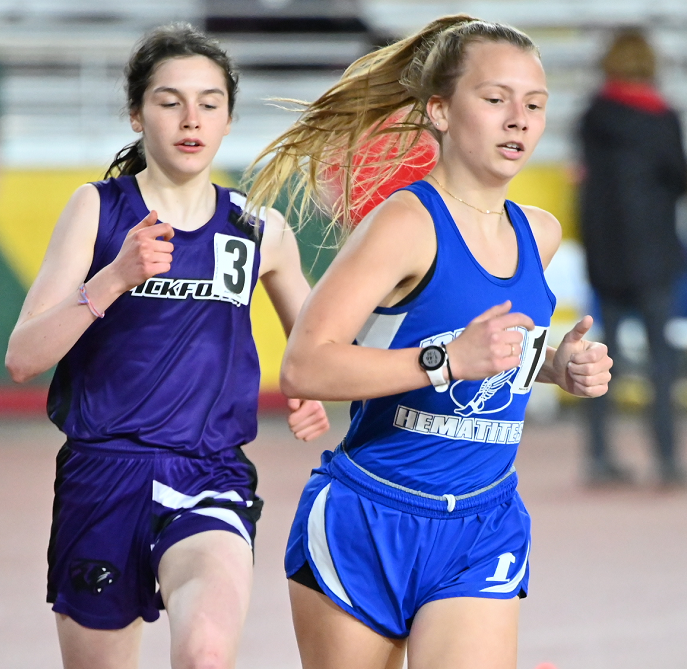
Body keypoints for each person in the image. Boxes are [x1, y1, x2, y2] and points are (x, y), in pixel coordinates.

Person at [245, 15, 612, 669]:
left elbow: (497, 352)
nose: (518, 120)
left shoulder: (541, 233)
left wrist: (556, 365)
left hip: (482, 520)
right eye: (495, 99)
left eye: (534, 104)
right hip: (371, 517)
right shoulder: (405, 224)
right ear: (439, 111)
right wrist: (447, 360)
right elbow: (305, 363)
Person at [4, 23, 329, 669]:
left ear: (229, 118)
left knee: (206, 652)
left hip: (210, 475)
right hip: (102, 477)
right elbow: (22, 356)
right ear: (136, 112)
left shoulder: (257, 226)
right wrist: (113, 278)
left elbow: (320, 344)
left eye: (210, 102)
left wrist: (309, 387)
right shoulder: (97, 210)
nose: (191, 118)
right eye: (169, 100)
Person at [576, 30, 687, 487]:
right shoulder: (662, 119)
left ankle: (600, 455)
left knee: (601, 359)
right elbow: (680, 179)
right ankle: (666, 457)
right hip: (655, 253)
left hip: (606, 255)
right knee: (662, 360)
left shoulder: (592, 117)